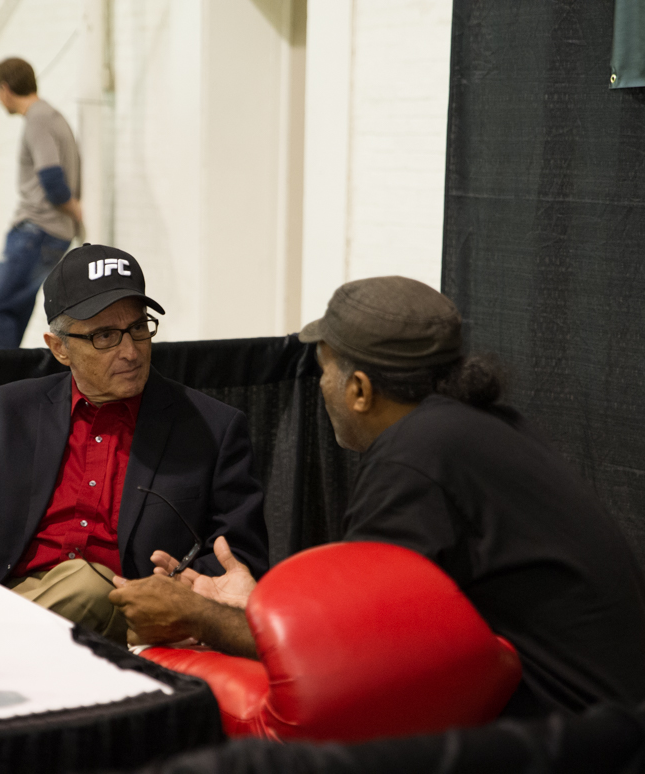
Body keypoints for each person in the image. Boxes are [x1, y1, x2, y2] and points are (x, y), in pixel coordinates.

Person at [110, 276, 645, 717]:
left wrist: (198, 617)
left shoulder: (415, 460)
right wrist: (253, 608)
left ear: (360, 390)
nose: (321, 388)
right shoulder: (476, 429)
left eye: (323, 372)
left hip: (574, 735)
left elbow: (351, 654)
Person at [0, 243, 268, 643]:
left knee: (86, 584)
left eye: (138, 328)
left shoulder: (212, 427)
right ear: (59, 347)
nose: (130, 352)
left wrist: (184, 595)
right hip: (19, 597)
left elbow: (240, 559)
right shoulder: (13, 410)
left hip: (132, 618)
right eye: (105, 336)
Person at [0, 57, 82, 350]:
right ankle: (14, 377)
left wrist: (74, 209)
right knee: (13, 310)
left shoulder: (38, 119)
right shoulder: (51, 115)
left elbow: (51, 176)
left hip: (36, 232)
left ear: (5, 89)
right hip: (50, 234)